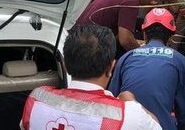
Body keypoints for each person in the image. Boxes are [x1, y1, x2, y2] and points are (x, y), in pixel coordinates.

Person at [20, 25, 161, 130]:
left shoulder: (37, 98)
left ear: (65, 65)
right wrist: (132, 102)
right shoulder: (129, 114)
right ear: (110, 68)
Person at [109, 8, 185, 130]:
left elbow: (112, 98)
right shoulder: (180, 61)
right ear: (171, 36)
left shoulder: (126, 57)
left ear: (144, 34)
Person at [74, 0, 161, 58]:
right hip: (87, 46)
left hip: (82, 37)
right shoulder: (130, 1)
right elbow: (126, 40)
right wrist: (144, 56)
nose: (153, 0)